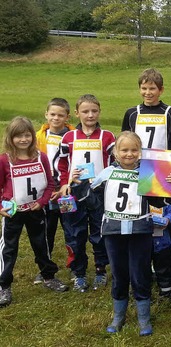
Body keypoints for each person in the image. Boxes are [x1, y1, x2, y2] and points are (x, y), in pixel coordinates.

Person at [71, 131, 169, 336]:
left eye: (134, 150)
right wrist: (79, 186)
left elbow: (158, 203)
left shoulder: (147, 172)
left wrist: (168, 184)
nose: (129, 154)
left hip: (140, 231)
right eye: (124, 150)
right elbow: (93, 202)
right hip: (113, 231)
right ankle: (118, 316)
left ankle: (144, 318)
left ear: (140, 152)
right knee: (118, 273)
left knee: (140, 272)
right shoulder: (106, 173)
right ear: (115, 151)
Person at [122, 68, 171, 297]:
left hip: (161, 173)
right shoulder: (132, 113)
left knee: (164, 224)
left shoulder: (169, 112)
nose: (148, 92)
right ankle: (144, 271)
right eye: (144, 88)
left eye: (152, 88)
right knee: (139, 219)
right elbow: (123, 144)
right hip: (137, 171)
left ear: (161, 90)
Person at [0, 116, 69, 307]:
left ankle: (48, 276)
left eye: (27, 135)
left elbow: (50, 184)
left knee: (41, 244)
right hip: (13, 213)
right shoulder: (5, 160)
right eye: (18, 136)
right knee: (9, 248)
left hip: (36, 210)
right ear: (10, 138)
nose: (23, 140)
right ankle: (4, 285)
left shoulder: (41, 157)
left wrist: (43, 202)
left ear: (33, 136)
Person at [54, 94, 115, 292]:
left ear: (100, 112)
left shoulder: (107, 136)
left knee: (99, 231)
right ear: (76, 113)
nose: (90, 115)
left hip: (99, 191)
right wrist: (64, 183)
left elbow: (116, 162)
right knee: (75, 232)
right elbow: (61, 164)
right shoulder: (68, 137)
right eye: (85, 111)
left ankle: (100, 270)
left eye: (94, 111)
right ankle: (79, 272)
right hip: (74, 191)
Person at [34, 98, 75, 283]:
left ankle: (75, 266)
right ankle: (45, 267)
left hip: (66, 191)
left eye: (60, 115)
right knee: (47, 231)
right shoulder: (38, 137)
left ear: (67, 117)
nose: (56, 118)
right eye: (52, 114)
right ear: (46, 115)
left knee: (70, 229)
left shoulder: (73, 136)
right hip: (47, 192)